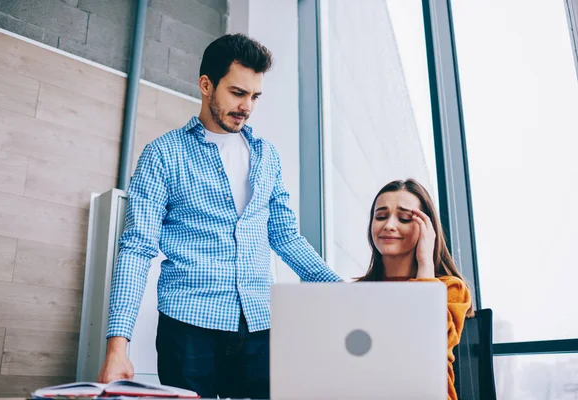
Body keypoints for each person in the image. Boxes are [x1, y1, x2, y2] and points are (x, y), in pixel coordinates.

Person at [96, 33, 343, 399]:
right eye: (238, 93)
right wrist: (118, 346)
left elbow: (286, 236)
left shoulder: (267, 155)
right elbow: (137, 248)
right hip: (189, 330)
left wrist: (343, 291)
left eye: (255, 96)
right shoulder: (163, 154)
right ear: (206, 85)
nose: (247, 106)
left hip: (261, 327)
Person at [356, 179, 473, 400]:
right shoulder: (356, 294)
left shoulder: (450, 289)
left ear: (426, 229)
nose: (389, 225)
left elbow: (425, 345)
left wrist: (425, 264)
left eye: (404, 219)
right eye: (380, 216)